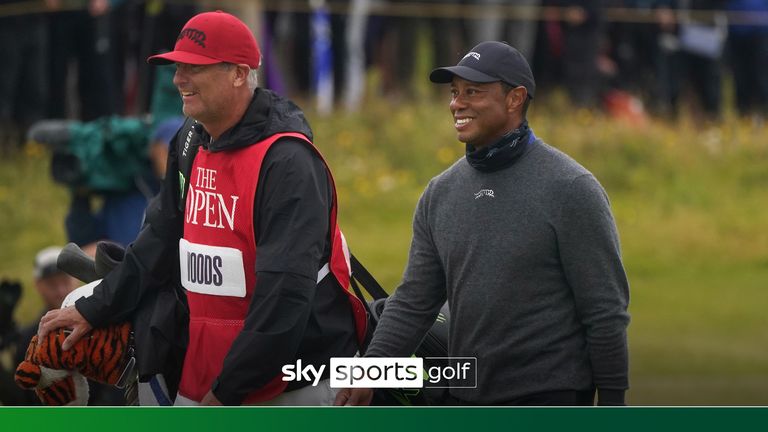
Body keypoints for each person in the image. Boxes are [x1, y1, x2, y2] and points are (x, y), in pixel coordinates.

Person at [38, 10, 366, 406]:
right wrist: (94, 308)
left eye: (194, 68)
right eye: (177, 67)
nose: (178, 80)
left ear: (239, 73)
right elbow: (158, 237)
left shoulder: (287, 162)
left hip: (296, 382)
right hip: (208, 376)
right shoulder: (191, 139)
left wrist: (226, 392)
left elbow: (284, 297)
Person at [336, 41, 630, 406]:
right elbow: (414, 300)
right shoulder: (440, 193)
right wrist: (369, 372)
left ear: (514, 99)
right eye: (455, 92)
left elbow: (604, 310)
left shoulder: (570, 188)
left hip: (549, 400)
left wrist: (615, 403)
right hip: (464, 399)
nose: (457, 103)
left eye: (473, 92)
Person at [0, 246, 123, 405]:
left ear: (77, 279)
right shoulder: (28, 339)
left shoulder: (102, 325)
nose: (60, 290)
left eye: (65, 281)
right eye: (52, 284)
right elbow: (20, 403)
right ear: (38, 285)